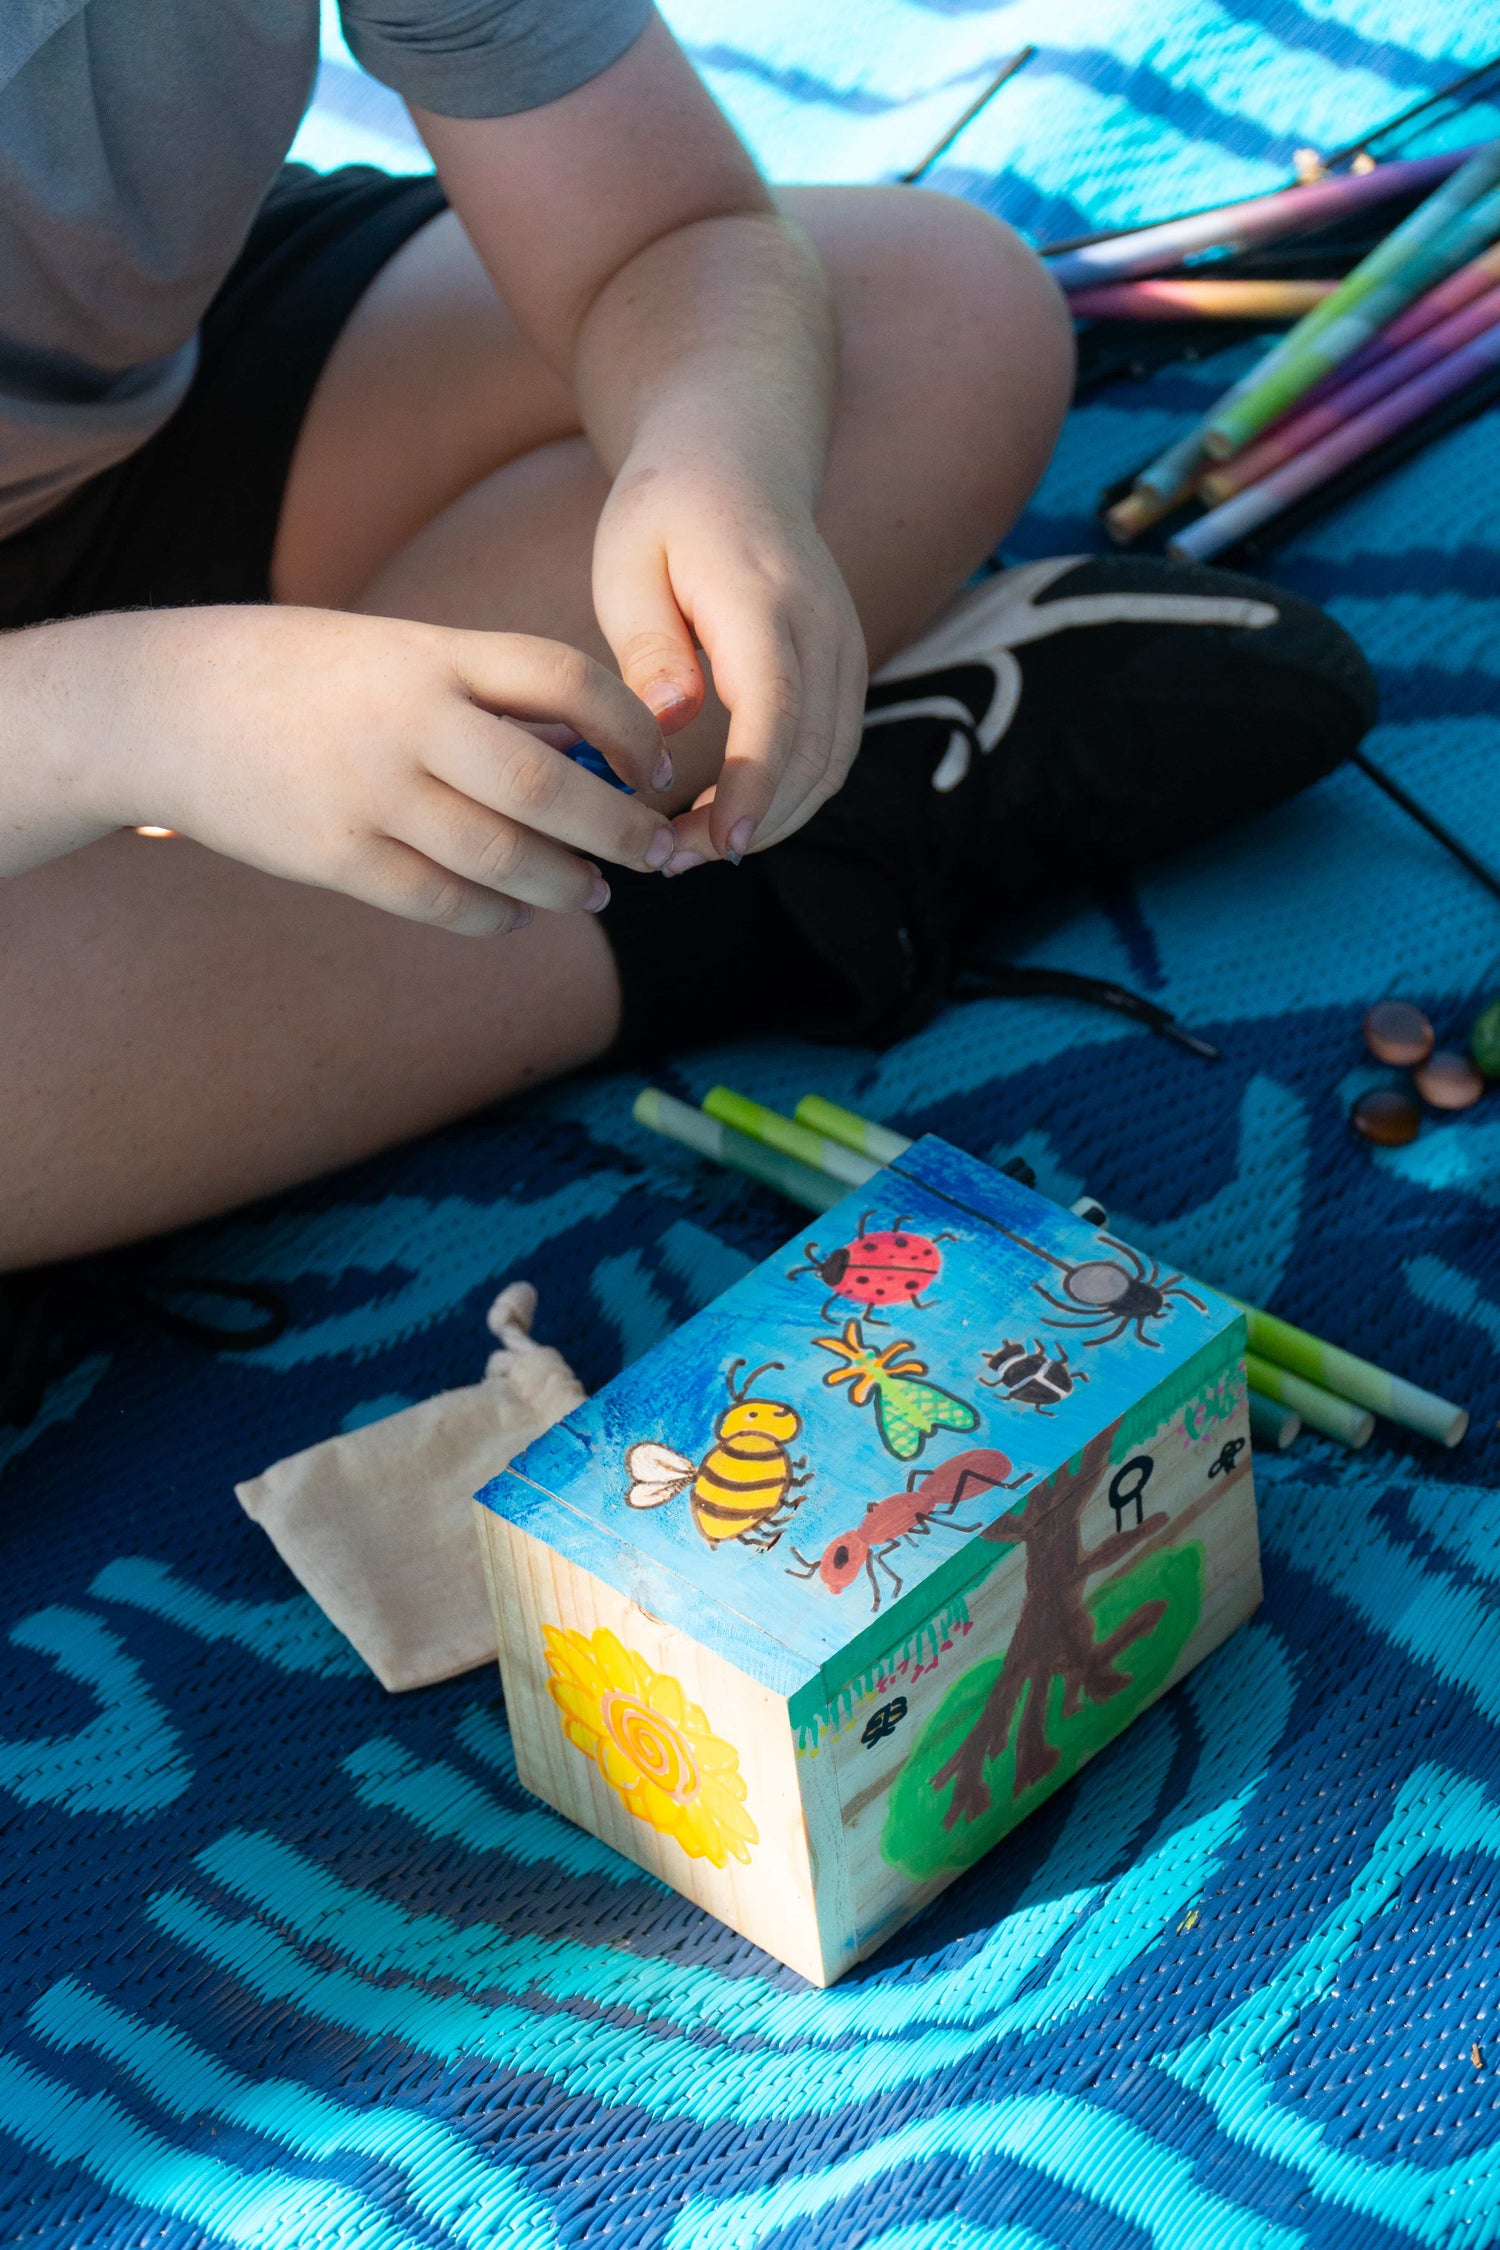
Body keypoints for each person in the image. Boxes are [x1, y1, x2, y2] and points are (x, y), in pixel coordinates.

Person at [0, 1, 1375, 1286]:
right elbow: (118, 715)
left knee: (929, 310)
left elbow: (655, 233)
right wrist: (137, 718)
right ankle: (728, 901)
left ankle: (318, 959)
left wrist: (716, 446)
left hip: (119, 422)